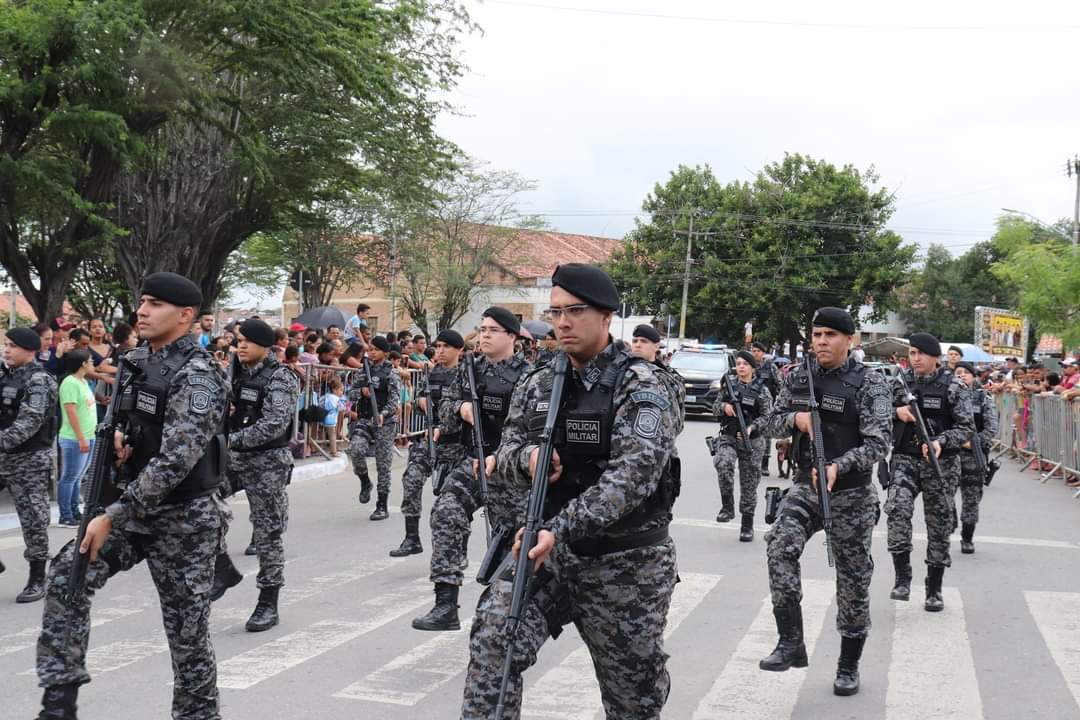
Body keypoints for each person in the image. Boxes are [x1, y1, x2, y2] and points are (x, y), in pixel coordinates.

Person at [460, 264, 680, 718]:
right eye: (555, 311)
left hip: (626, 564)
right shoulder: (540, 381)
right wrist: (529, 460)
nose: (562, 322)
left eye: (575, 311)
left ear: (606, 316)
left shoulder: (642, 385)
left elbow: (631, 479)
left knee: (633, 702)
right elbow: (506, 454)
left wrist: (556, 529)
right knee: (494, 641)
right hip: (551, 556)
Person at [36, 271, 230, 719]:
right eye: (142, 301)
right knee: (69, 573)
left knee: (187, 637)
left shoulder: (198, 374)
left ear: (185, 316)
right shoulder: (136, 361)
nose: (142, 311)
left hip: (184, 517)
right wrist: (123, 443)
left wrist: (114, 514)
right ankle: (59, 700)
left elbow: (176, 460)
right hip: (134, 507)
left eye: (155, 304)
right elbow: (130, 425)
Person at [759, 307, 891, 697]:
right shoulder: (799, 376)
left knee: (852, 582)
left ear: (850, 340)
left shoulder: (869, 383)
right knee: (780, 546)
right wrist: (796, 421)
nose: (821, 342)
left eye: (830, 335)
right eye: (816, 335)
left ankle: (848, 665)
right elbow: (768, 422)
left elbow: (879, 442)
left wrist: (839, 465)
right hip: (805, 485)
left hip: (851, 492)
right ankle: (790, 641)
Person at [412, 307, 532, 632]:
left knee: (510, 539)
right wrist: (462, 408)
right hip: (472, 461)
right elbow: (445, 408)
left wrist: (506, 454)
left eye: (493, 330)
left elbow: (535, 428)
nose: (485, 335)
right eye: (482, 329)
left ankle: (508, 614)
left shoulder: (529, 375)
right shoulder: (469, 369)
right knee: (446, 512)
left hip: (511, 469)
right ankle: (445, 603)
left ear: (512, 336)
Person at [215, 319, 300, 633]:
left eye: (248, 342)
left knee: (267, 533)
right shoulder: (235, 373)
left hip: (267, 463)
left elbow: (275, 423)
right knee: (200, 505)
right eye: (239, 341)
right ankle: (221, 568)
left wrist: (232, 440)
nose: (241, 347)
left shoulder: (280, 377)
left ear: (266, 346)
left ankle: (268, 600)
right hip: (234, 460)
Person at [885, 332, 974, 612]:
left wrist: (940, 441)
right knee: (897, 510)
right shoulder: (899, 384)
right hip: (904, 459)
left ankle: (934, 588)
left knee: (939, 524)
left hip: (941, 464)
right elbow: (872, 412)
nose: (916, 359)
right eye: (912, 353)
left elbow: (966, 428)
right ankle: (902, 577)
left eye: (921, 353)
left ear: (936, 357)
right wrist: (895, 412)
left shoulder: (954, 387)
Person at [390, 330, 467, 557]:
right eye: (439, 346)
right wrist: (420, 401)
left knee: (449, 500)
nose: (440, 351)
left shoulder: (466, 375)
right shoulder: (433, 373)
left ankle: (453, 546)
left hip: (457, 445)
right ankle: (411, 537)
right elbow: (419, 399)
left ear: (459, 350)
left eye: (446, 347)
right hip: (430, 441)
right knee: (411, 479)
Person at [0, 327, 59, 603]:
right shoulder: (5, 376)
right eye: (5, 344)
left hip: (29, 460)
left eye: (12, 346)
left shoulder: (39, 380)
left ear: (29, 350)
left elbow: (29, 422)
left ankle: (37, 578)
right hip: (3, 455)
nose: (6, 349)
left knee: (33, 520)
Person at [710, 350, 773, 541]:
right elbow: (714, 407)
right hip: (729, 436)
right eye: (738, 363)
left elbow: (768, 417)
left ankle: (747, 525)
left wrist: (752, 427)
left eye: (745, 364)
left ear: (752, 367)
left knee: (749, 484)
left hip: (752, 441)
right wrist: (724, 407)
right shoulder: (728, 386)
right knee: (723, 463)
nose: (741, 367)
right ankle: (727, 506)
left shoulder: (761, 390)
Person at [345, 335, 400, 520]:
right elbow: (350, 394)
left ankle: (381, 505)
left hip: (385, 422)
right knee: (355, 449)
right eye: (370, 349)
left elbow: (394, 401)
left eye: (376, 349)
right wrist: (362, 391)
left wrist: (383, 414)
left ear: (385, 352)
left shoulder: (391, 374)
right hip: (365, 419)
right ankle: (365, 481)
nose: (372, 352)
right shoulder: (364, 371)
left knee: (383, 465)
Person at [953, 361, 998, 554]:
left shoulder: (983, 398)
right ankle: (947, 526)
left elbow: (991, 428)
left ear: (973, 376)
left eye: (965, 373)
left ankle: (967, 537)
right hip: (950, 455)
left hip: (974, 455)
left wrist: (973, 442)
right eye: (957, 373)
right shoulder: (948, 397)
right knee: (942, 496)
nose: (961, 375)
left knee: (971, 500)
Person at [57, 349, 97, 527]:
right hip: (75, 438)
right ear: (82, 363)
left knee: (77, 477)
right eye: (90, 361)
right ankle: (65, 515)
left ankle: (74, 511)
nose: (93, 363)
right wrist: (81, 438)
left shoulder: (83, 381)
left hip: (89, 436)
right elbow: (71, 412)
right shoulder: (70, 383)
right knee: (69, 477)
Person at [753, 341, 782, 477]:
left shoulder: (771, 367)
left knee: (766, 435)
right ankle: (751, 463)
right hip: (751, 404)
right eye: (754, 351)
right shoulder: (749, 366)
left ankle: (764, 465)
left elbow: (781, 385)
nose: (756, 353)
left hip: (768, 405)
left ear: (763, 353)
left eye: (758, 351)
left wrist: (780, 405)